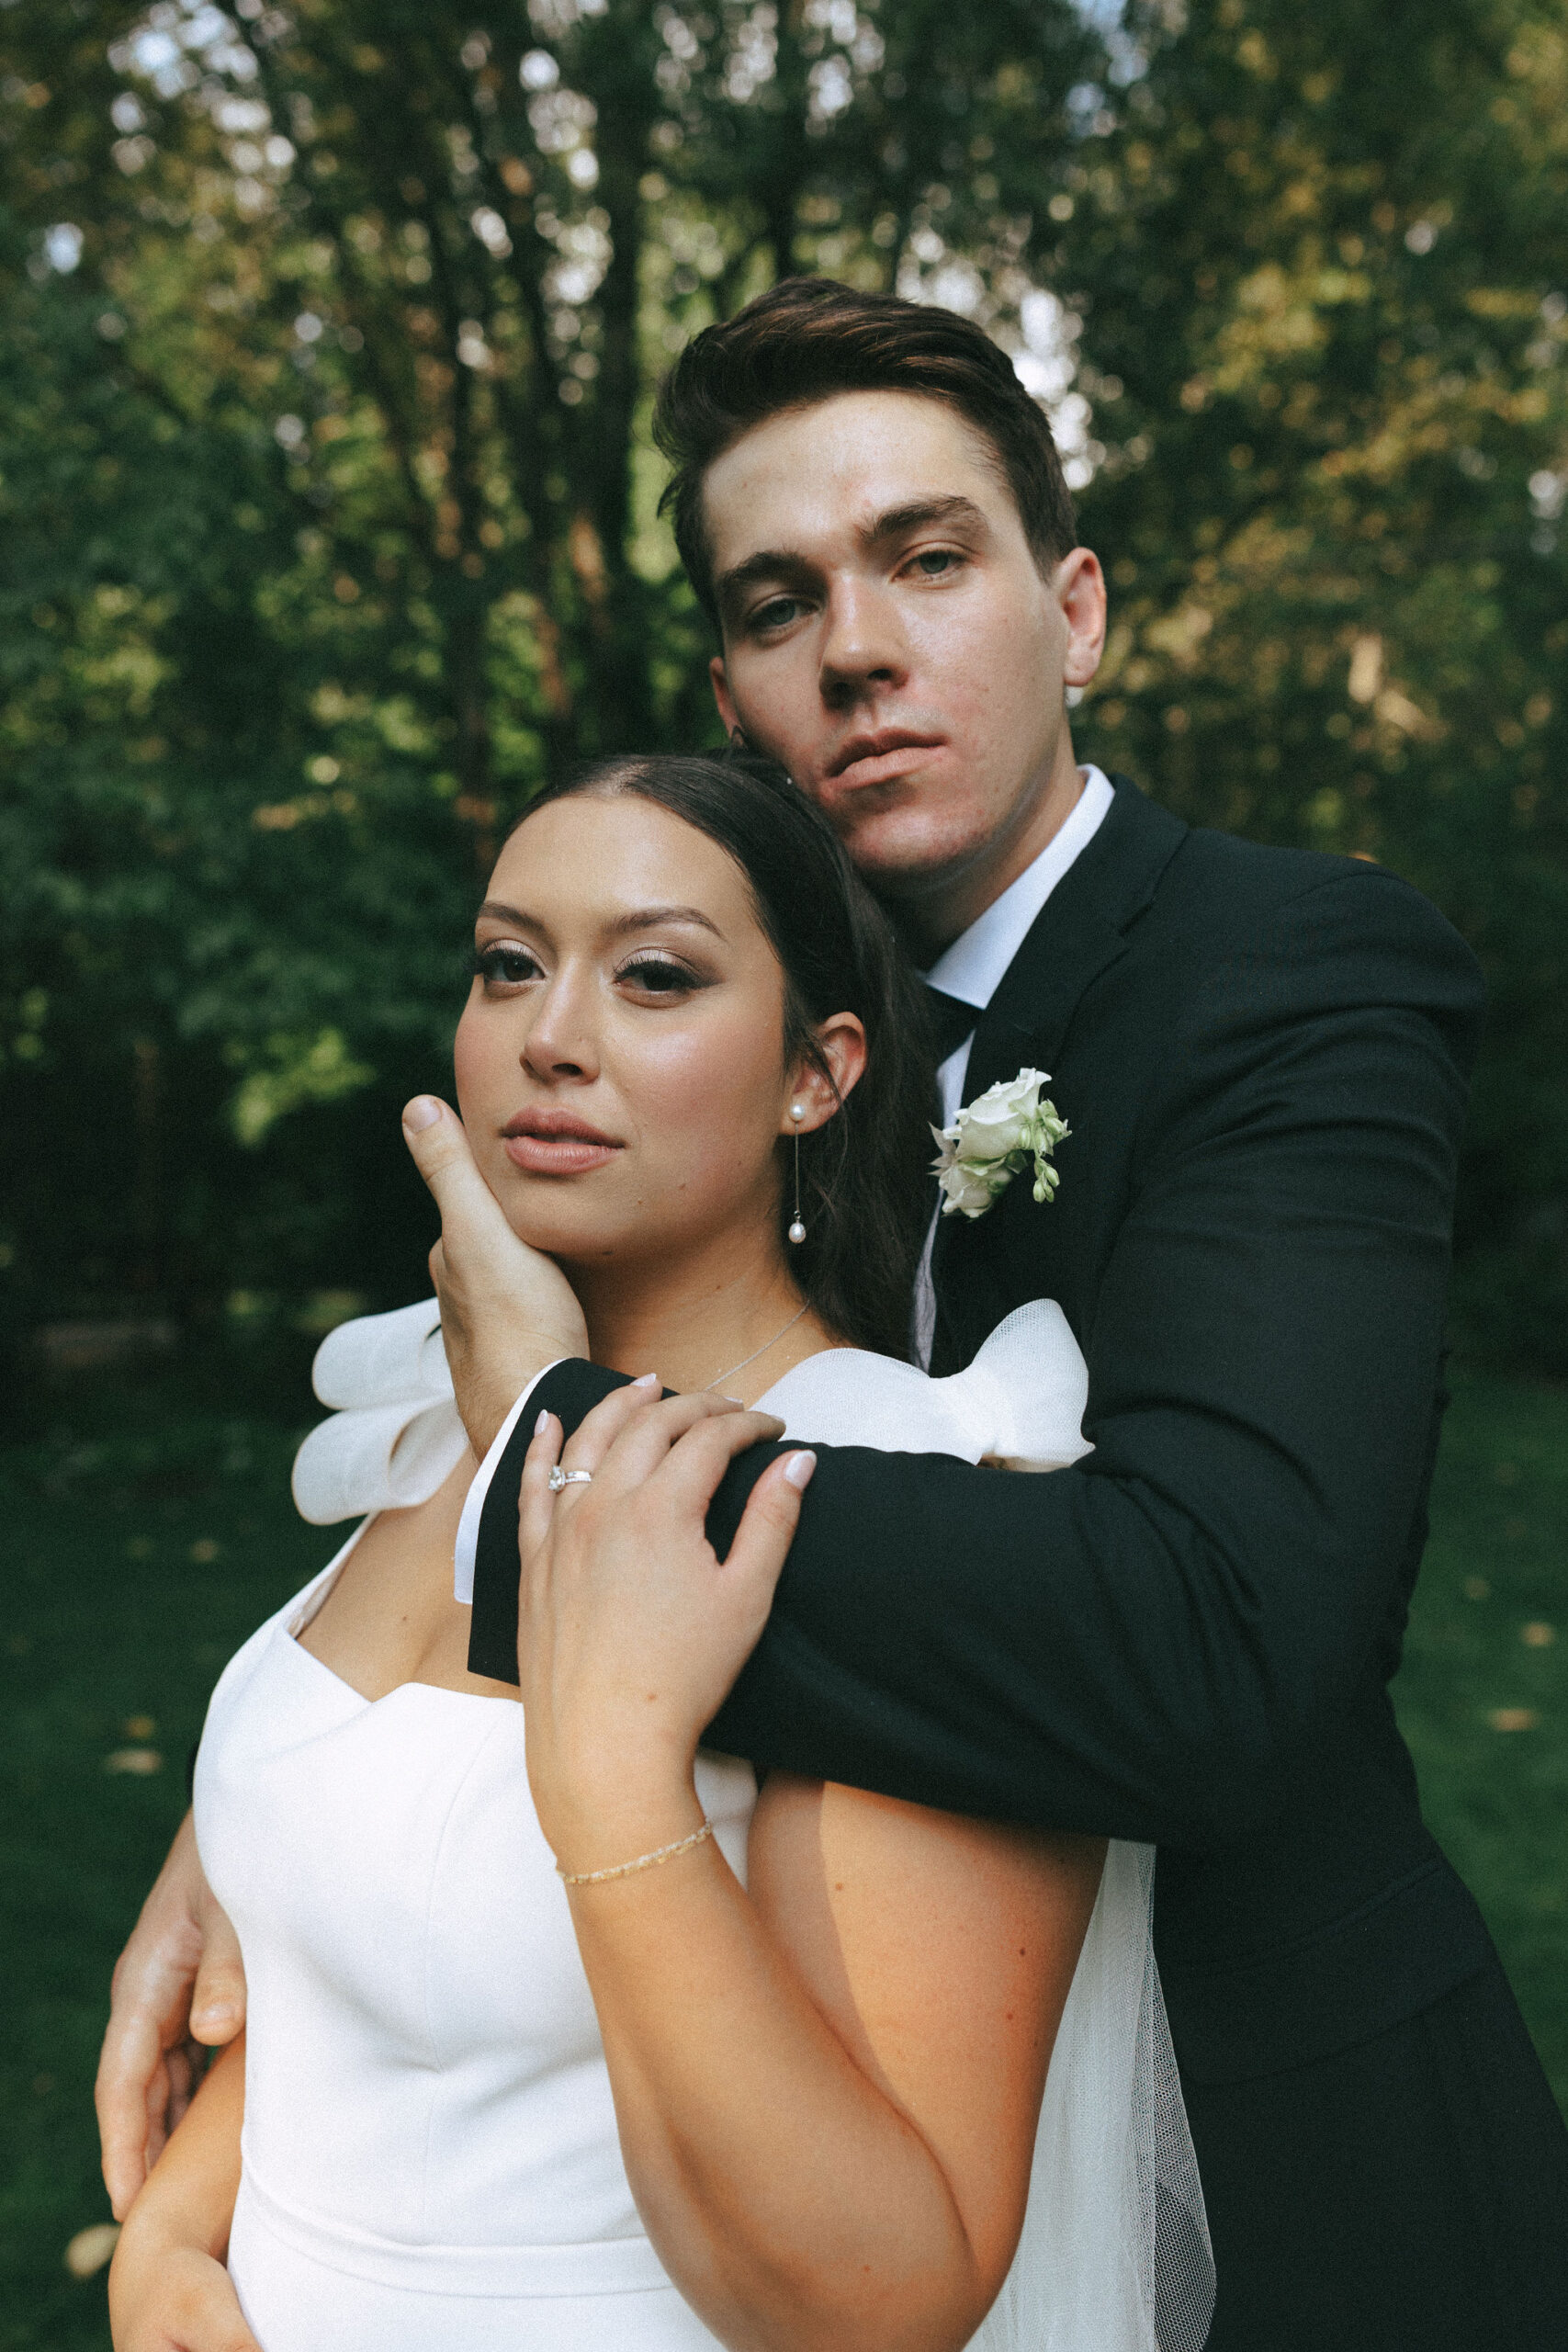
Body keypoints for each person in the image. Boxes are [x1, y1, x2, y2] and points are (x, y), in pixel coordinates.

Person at [98, 277, 1568, 2347]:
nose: (855, 647)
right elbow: (480, 1543)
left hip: (1266, 2156)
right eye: (777, 601)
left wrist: (565, 1483)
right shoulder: (700, 1071)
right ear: (732, 690)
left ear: (1073, 610)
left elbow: (1222, 1643)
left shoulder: (1285, 969)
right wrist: (285, 1829)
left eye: (925, 559)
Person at [107, 752, 1211, 2352]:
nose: (550, 1037)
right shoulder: (445, 1423)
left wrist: (614, 1781)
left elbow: (887, 2290)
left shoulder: (888, 1506)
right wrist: (173, 2237)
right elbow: (356, 1961)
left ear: (815, 1073)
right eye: (509, 965)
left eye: (655, 976)